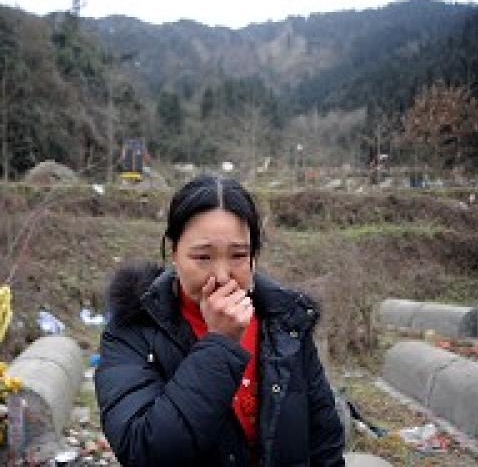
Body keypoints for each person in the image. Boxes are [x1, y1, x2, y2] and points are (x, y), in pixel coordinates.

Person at [95, 174, 345, 466]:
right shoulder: (134, 330)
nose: (223, 276)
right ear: (174, 253)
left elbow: (325, 445)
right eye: (203, 257)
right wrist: (220, 344)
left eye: (238, 255)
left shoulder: (285, 324)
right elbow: (143, 451)